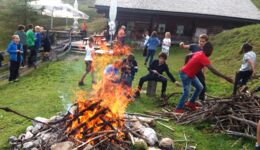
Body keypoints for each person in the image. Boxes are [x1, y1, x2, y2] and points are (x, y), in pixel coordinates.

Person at [175, 42, 233, 114]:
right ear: (209, 51)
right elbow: (213, 70)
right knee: (186, 92)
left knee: (200, 87)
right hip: (185, 74)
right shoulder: (203, 58)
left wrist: (186, 65)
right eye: (211, 51)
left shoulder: (199, 52)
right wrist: (226, 78)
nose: (212, 53)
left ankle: (191, 103)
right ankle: (178, 109)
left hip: (190, 74)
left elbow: (187, 56)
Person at [179, 34, 209, 102]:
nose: (201, 43)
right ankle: (185, 101)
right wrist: (181, 44)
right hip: (190, 69)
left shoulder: (206, 50)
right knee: (188, 86)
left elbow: (205, 63)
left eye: (203, 41)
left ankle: (201, 100)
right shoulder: (194, 46)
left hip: (198, 70)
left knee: (202, 85)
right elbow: (183, 46)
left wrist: (204, 73)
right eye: (200, 41)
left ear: (206, 42)